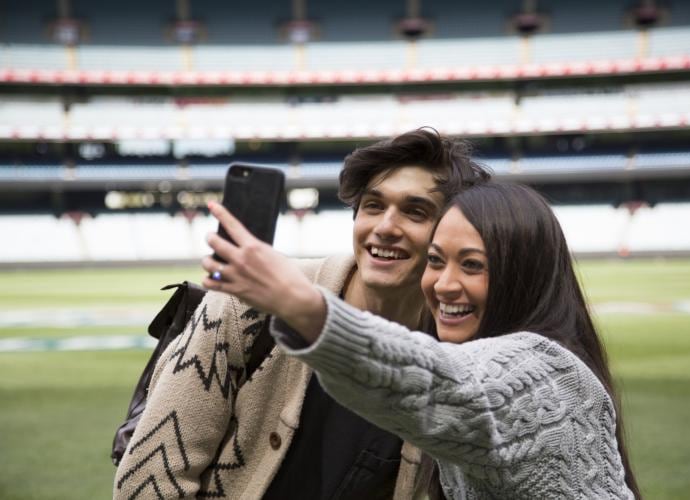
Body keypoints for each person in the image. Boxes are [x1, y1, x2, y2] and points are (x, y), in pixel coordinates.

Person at [113, 128, 490, 499]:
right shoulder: (246, 302)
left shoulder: (460, 348)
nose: (386, 227)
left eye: (416, 211)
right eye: (373, 206)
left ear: (451, 233)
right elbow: (148, 482)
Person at [201, 182, 641, 499]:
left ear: (522, 275)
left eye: (472, 265)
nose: (444, 285)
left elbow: (442, 385)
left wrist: (305, 305)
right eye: (436, 261)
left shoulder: (550, 375)